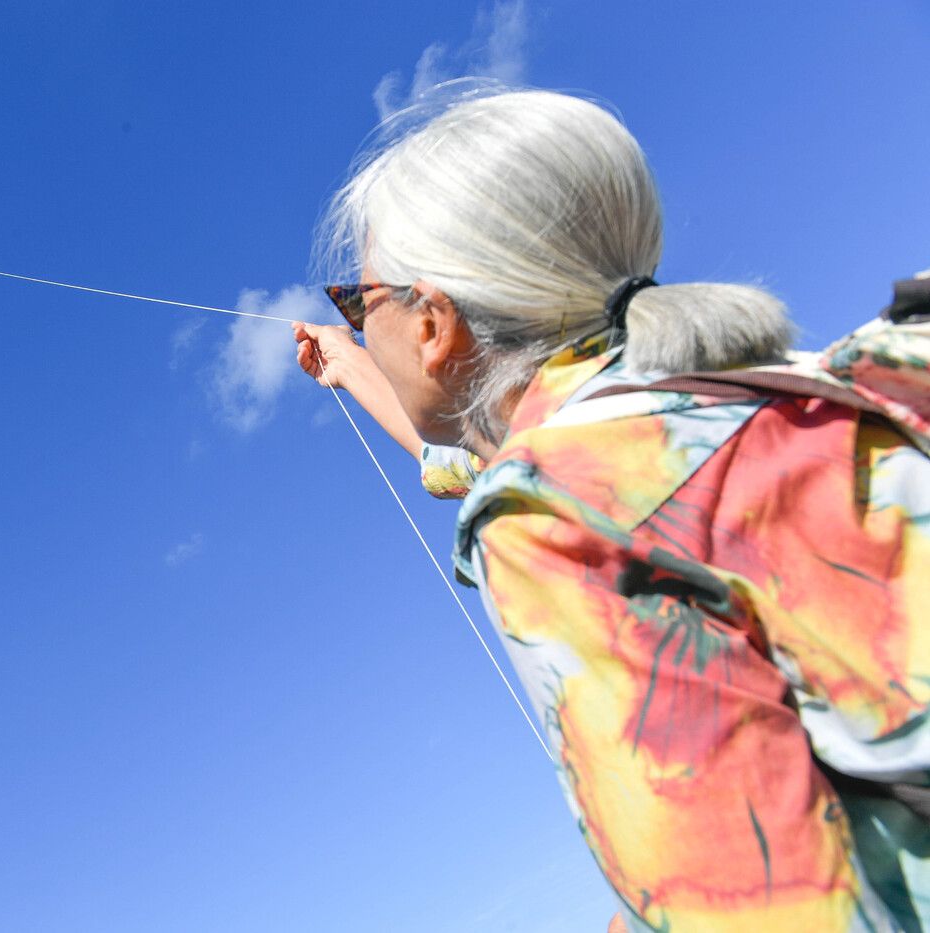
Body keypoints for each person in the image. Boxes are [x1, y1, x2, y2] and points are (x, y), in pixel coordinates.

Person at [293, 85, 930, 932]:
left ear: (433, 322)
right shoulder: (735, 388)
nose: (356, 319)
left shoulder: (548, 519)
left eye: (358, 300)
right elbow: (464, 459)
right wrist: (349, 363)